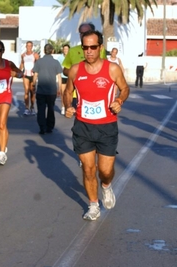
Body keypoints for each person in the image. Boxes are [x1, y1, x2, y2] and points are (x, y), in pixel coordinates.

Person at [63, 30, 130, 221]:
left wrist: (119, 100)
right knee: (88, 168)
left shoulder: (112, 69)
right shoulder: (76, 70)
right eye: (85, 47)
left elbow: (125, 88)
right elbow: (68, 92)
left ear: (100, 48)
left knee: (105, 171)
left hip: (107, 126)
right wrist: (68, 106)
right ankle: (93, 205)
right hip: (83, 126)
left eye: (93, 47)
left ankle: (106, 186)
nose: (89, 51)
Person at [62, 22, 107, 109]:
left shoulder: (100, 49)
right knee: (80, 119)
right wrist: (76, 72)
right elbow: (65, 70)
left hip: (97, 92)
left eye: (87, 32)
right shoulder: (73, 51)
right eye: (81, 33)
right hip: (77, 94)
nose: (83, 35)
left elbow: (105, 68)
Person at [33, 43, 62, 134]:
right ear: (52, 51)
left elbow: (35, 75)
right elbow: (59, 77)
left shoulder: (39, 62)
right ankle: (50, 127)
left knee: (41, 109)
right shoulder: (56, 62)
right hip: (51, 90)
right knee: (51, 109)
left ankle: (42, 127)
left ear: (44, 51)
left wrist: (34, 85)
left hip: (41, 90)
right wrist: (59, 89)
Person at [20, 41, 39, 116]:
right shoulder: (23, 55)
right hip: (25, 75)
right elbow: (22, 64)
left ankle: (32, 107)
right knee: (26, 91)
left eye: (30, 46)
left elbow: (38, 64)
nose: (29, 47)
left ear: (32, 46)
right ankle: (26, 108)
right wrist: (19, 71)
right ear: (26, 46)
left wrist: (35, 70)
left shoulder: (35, 55)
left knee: (32, 91)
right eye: (27, 46)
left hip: (33, 75)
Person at [57, 44, 70, 115]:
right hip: (62, 77)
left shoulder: (70, 57)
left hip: (69, 77)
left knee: (68, 93)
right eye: (64, 49)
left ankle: (68, 106)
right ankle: (63, 107)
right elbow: (58, 67)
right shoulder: (60, 57)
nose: (65, 50)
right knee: (62, 93)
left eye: (67, 49)